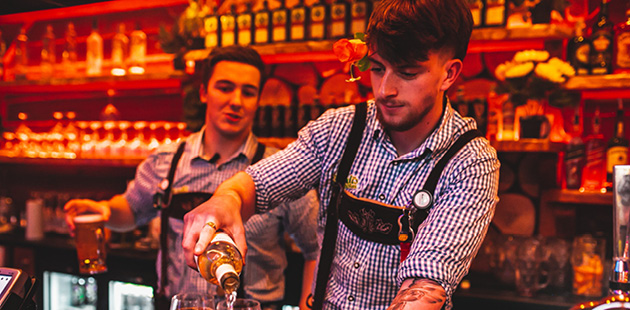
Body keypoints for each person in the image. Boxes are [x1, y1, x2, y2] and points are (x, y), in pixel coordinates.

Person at [181, 0, 500, 309]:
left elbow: (425, 286)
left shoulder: (470, 162)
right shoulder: (340, 129)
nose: (385, 89)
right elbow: (257, 184)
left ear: (449, 73)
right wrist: (226, 200)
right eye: (377, 68)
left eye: (407, 73)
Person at [64, 46, 319, 310]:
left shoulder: (280, 168)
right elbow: (131, 209)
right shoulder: (166, 161)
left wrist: (307, 305)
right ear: (203, 92)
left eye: (248, 92)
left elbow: (316, 247)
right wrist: (104, 210)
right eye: (225, 87)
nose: (236, 101)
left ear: (258, 100)